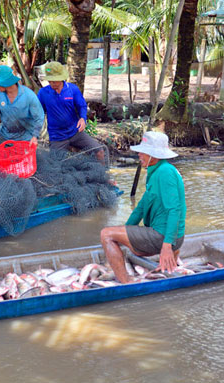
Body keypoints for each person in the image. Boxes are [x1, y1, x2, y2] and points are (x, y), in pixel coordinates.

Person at [100, 131, 186, 283]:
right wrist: (124, 232)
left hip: (165, 238)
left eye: (143, 152)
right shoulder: (157, 172)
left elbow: (175, 210)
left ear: (155, 155)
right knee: (117, 234)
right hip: (171, 238)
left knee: (106, 234)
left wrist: (167, 245)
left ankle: (125, 283)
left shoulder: (165, 173)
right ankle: (167, 263)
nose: (139, 155)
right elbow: (141, 207)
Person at [37, 61, 104, 161]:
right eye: (49, 81)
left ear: (61, 79)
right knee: (55, 164)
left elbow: (81, 106)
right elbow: (38, 112)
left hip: (75, 132)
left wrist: (82, 118)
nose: (51, 84)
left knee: (99, 151)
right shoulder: (43, 93)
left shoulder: (72, 89)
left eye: (54, 81)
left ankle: (103, 175)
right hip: (57, 136)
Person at [0, 65, 45, 152]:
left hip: (26, 136)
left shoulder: (28, 95)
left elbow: (39, 117)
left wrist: (35, 136)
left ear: (6, 83)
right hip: (5, 136)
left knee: (24, 161)